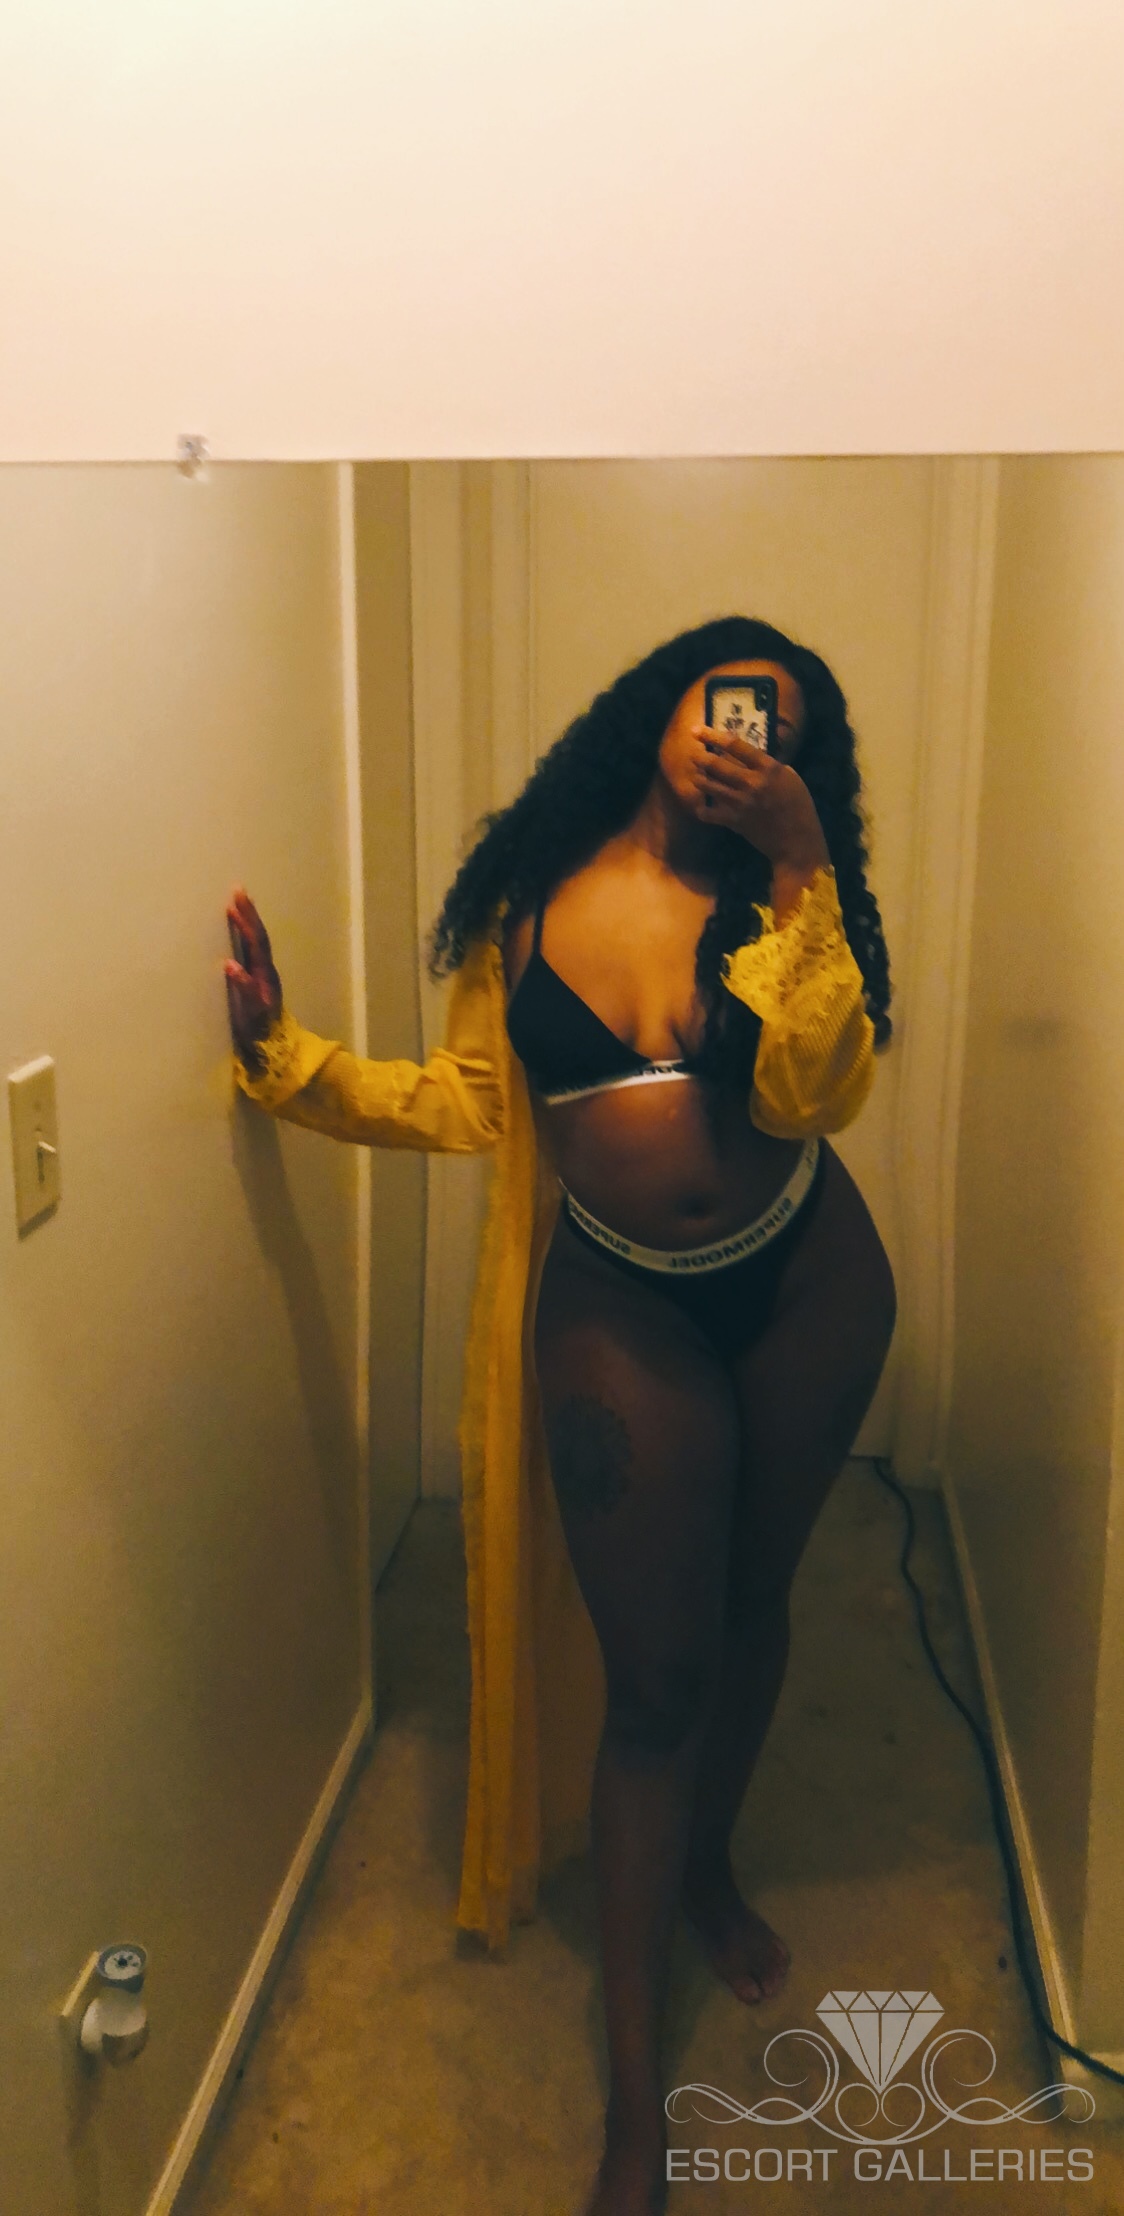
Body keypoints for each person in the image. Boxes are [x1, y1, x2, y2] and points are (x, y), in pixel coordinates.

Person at [224, 615, 896, 2216]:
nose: (741, 737)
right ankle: (636, 2109)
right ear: (660, 704)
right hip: (624, 1303)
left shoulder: (788, 900)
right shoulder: (526, 893)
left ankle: (710, 1863)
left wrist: (804, 864)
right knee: (656, 1684)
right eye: (727, 701)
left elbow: (813, 1092)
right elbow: (471, 1102)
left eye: (779, 733)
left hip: (810, 1284)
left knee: (754, 1604)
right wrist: (288, 1062)